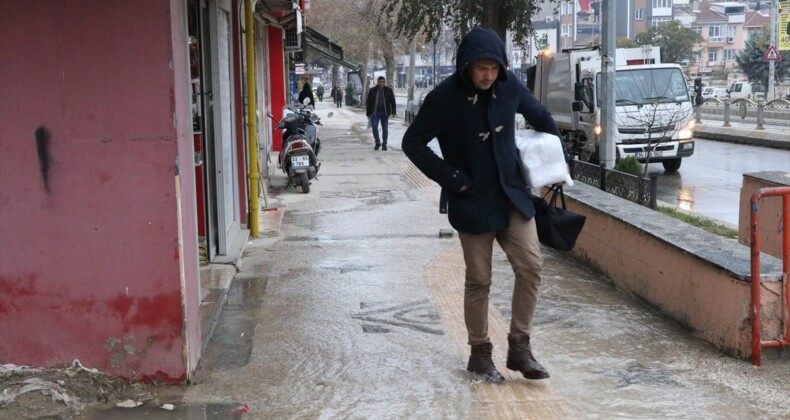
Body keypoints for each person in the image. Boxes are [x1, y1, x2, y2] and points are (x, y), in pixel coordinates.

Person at [402, 27, 566, 384]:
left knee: (532, 267)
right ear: (466, 67)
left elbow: (542, 118)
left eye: (494, 68)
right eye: (481, 69)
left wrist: (554, 166)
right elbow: (412, 143)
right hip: (472, 202)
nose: (488, 75)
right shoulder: (443, 98)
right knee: (479, 280)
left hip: (512, 196)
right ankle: (480, 354)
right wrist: (454, 180)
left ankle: (520, 348)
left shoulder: (508, 87)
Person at [365, 76, 396, 151]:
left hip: (385, 113)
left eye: (382, 82)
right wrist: (368, 113)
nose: (381, 83)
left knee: (385, 129)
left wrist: (393, 112)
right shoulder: (372, 90)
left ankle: (384, 144)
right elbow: (368, 102)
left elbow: (393, 101)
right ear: (377, 82)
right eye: (380, 82)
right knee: (374, 127)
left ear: (384, 82)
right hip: (375, 112)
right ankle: (377, 142)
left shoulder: (388, 90)